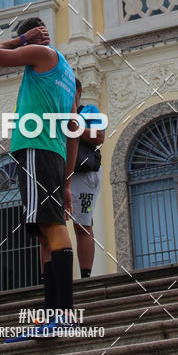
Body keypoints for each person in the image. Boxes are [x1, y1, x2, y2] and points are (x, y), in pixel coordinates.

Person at [0, 16, 78, 339]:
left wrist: (22, 41)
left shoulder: (42, 55)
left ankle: (63, 314)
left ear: (33, 39)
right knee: (44, 235)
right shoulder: (67, 73)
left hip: (36, 148)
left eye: (26, 41)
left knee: (51, 228)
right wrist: (66, 180)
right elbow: (73, 132)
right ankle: (53, 314)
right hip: (54, 154)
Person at [70, 78, 105, 279]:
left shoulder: (88, 110)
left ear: (79, 90)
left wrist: (74, 127)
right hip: (61, 173)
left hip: (83, 174)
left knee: (82, 223)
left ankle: (86, 275)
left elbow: (99, 136)